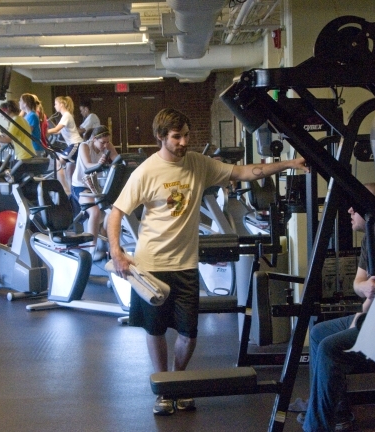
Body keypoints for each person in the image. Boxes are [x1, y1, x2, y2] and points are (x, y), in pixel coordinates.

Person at [107, 108, 308, 416]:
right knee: (155, 330)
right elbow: (116, 213)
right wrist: (117, 252)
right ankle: (163, 388)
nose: (183, 142)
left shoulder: (199, 165)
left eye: (186, 135)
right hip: (150, 266)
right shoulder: (146, 172)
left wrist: (289, 164)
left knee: (189, 333)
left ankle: (178, 380)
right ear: (161, 137)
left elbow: (243, 172)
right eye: (177, 137)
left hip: (186, 265)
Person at [301, 183, 375, 432]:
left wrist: (361, 314)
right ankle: (337, 412)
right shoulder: (369, 239)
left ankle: (317, 426)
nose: (350, 210)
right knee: (318, 333)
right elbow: (358, 283)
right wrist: (366, 291)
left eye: (356, 207)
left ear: (371, 209)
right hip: (370, 315)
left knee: (331, 347)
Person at [71, 125, 118, 261]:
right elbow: (87, 166)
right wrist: (100, 164)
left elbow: (118, 160)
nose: (105, 145)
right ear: (93, 139)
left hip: (96, 187)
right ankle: (91, 250)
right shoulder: (84, 146)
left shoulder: (107, 145)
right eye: (102, 142)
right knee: (95, 211)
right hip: (79, 186)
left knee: (113, 210)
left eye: (107, 142)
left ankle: (104, 237)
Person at [47, 96, 84, 193]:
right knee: (69, 170)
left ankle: (65, 189)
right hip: (73, 144)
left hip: (75, 144)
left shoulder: (66, 115)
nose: (55, 106)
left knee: (58, 164)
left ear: (61, 104)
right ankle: (72, 191)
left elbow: (56, 129)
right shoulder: (65, 116)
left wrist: (43, 132)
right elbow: (58, 132)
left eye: (56, 104)